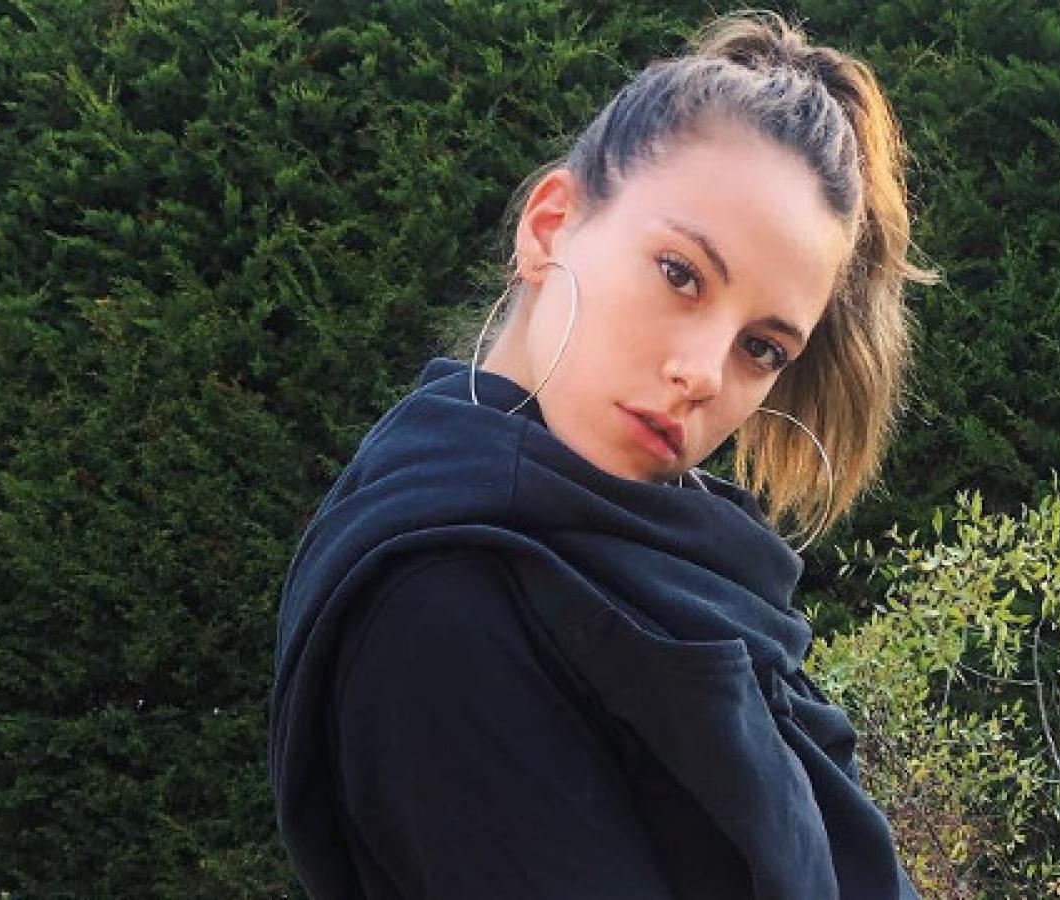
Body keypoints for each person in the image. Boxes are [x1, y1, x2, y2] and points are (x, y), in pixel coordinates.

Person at [270, 10, 937, 898]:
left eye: (762, 348)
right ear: (550, 226)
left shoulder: (682, 573)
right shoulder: (444, 604)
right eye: (680, 274)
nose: (704, 374)